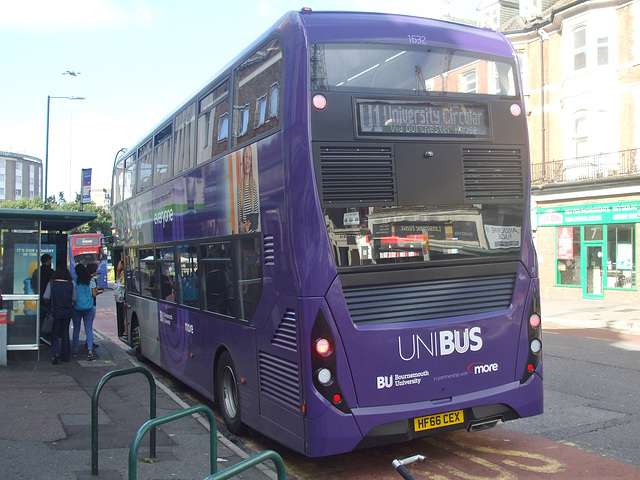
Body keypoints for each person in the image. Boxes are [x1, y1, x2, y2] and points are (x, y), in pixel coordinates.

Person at [43, 265, 76, 364]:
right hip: (67, 311)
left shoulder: (52, 283)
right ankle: (66, 356)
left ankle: (56, 353)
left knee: (55, 333)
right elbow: (75, 298)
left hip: (55, 311)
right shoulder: (71, 284)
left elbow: (46, 296)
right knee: (65, 333)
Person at [72, 264, 97, 360]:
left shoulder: (74, 282)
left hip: (77, 307)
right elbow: (94, 294)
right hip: (88, 308)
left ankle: (75, 349)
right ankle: (90, 350)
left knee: (76, 329)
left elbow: (73, 296)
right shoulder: (91, 281)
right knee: (88, 329)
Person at [236, 146, 259, 233]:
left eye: (250, 158)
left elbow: (257, 215)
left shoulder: (254, 185)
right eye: (246, 157)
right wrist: (245, 229)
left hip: (255, 235)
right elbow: (240, 221)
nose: (248, 161)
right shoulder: (240, 189)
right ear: (243, 160)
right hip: (246, 236)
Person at [32, 253, 53, 342]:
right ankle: (47, 335)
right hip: (49, 300)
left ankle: (39, 336)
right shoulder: (51, 272)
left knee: (40, 318)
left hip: (39, 298)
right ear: (48, 261)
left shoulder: (37, 271)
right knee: (50, 319)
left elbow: (33, 284)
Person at [114, 259, 127, 338]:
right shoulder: (125, 274)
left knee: (125, 314)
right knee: (126, 315)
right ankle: (126, 331)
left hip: (121, 297)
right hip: (126, 296)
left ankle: (125, 331)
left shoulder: (119, 275)